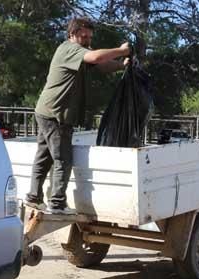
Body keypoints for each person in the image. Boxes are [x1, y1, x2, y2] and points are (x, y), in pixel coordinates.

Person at [26, 17, 131, 215]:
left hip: (47, 110)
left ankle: (34, 197)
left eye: (90, 37)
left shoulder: (79, 52)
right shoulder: (69, 49)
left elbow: (101, 65)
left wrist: (121, 64)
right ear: (72, 35)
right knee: (63, 159)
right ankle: (57, 204)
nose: (87, 40)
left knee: (45, 157)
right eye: (84, 36)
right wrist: (122, 50)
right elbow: (97, 58)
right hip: (56, 114)